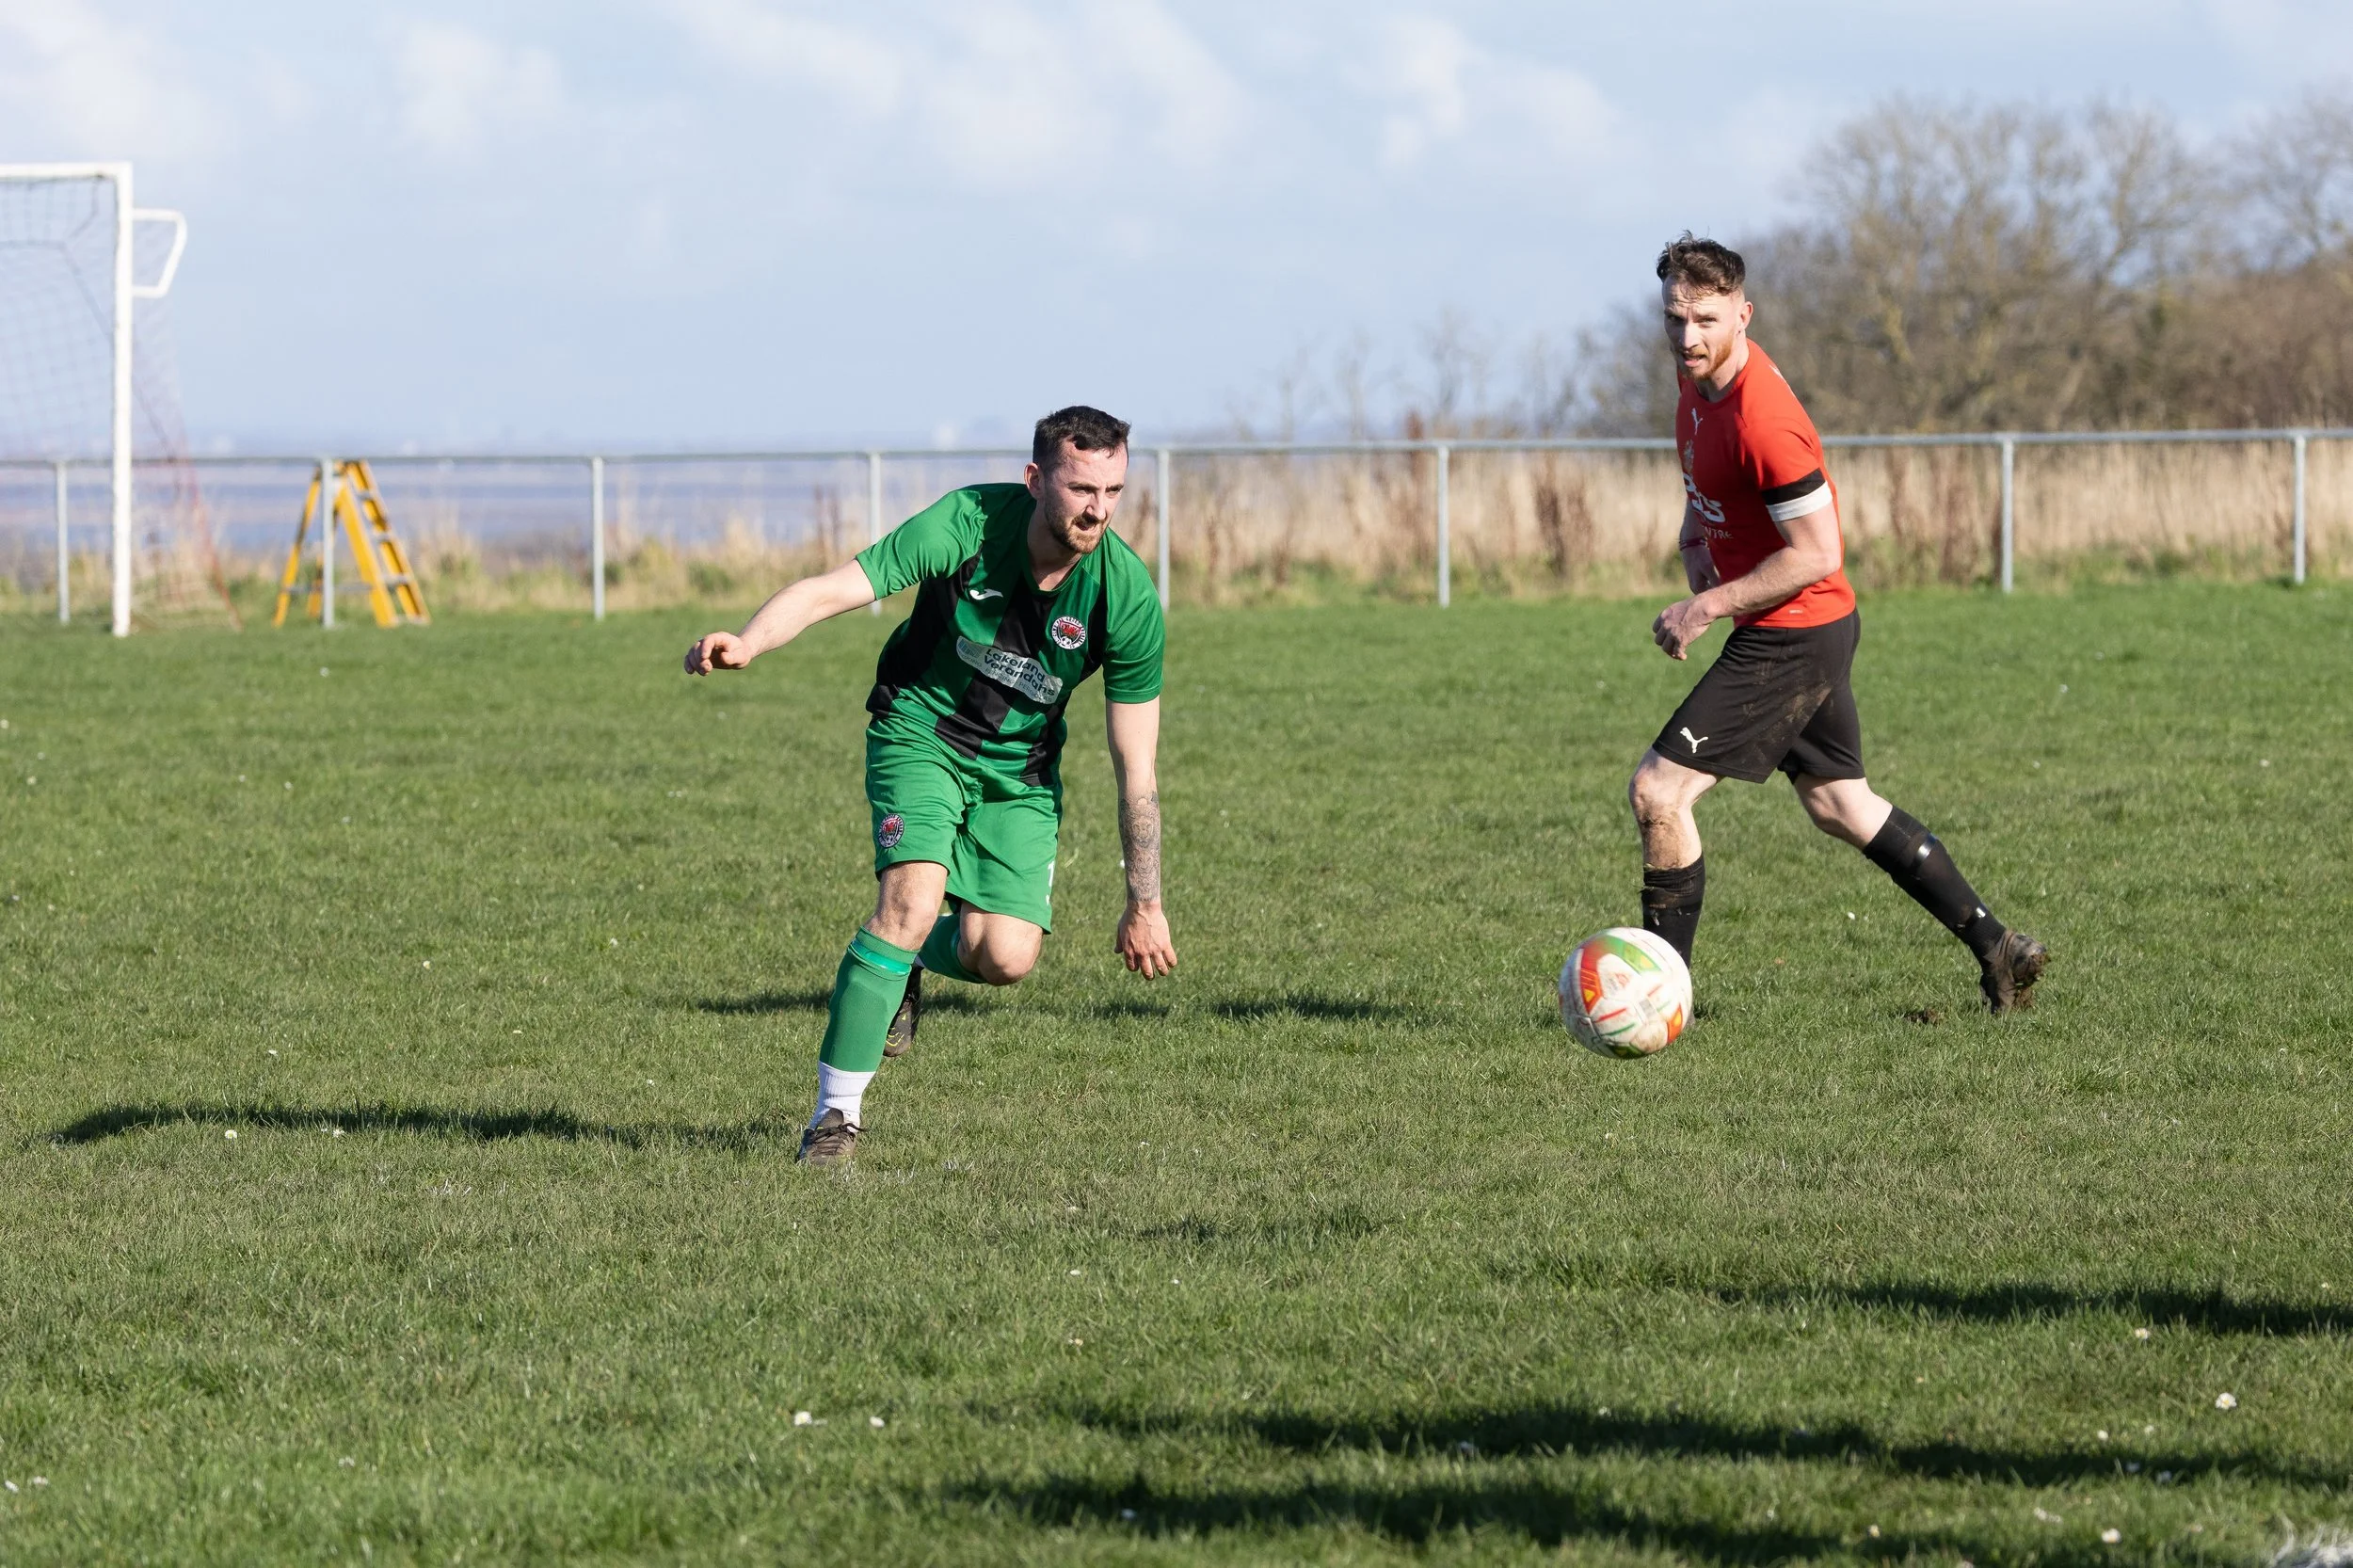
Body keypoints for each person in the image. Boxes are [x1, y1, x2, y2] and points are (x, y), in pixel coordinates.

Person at [685, 405, 1176, 1163]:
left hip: (1019, 771)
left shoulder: (1127, 596)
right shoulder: (968, 522)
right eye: (1082, 488)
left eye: (1113, 491)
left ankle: (908, 963)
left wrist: (1145, 903)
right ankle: (835, 1117)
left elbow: (1136, 768)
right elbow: (833, 588)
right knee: (910, 902)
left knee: (1004, 956)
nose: (1098, 509)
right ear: (1036, 478)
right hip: (921, 731)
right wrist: (749, 640)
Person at [1627, 235, 2046, 1013]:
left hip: (1793, 631)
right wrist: (1695, 536)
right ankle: (2000, 948)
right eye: (1675, 319)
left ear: (1743, 315)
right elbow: (1704, 478)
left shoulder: (1766, 419)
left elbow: (1819, 553)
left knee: (1660, 793)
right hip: (1798, 627)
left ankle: (1660, 999)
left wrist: (1707, 603)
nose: (1688, 337)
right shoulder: (1696, 387)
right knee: (1839, 804)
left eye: (1707, 320)